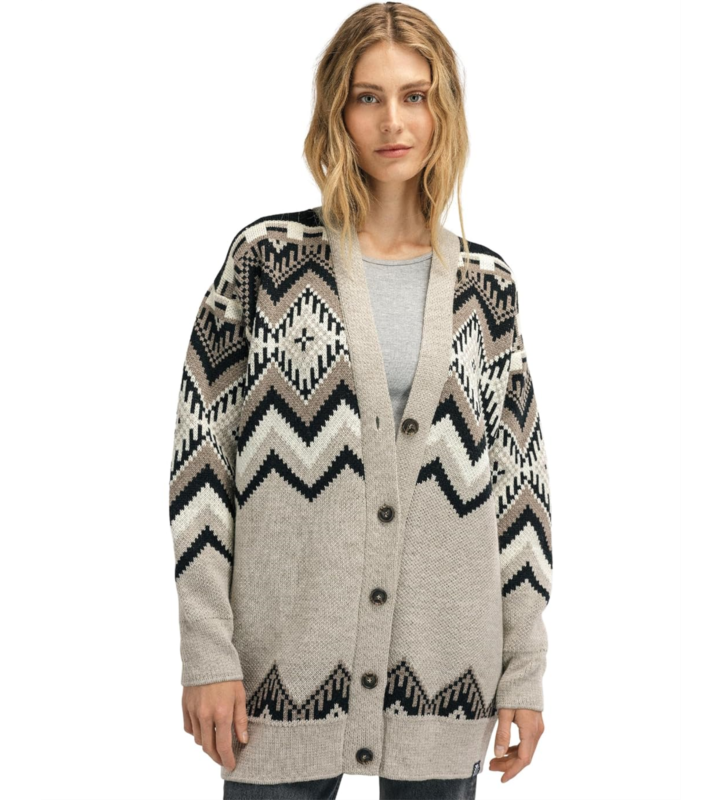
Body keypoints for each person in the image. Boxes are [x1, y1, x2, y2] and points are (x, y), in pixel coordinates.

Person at [167, 3, 552, 798]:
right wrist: (207, 652)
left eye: (415, 96)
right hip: (278, 674)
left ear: (444, 111)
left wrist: (525, 669)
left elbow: (520, 488)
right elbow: (200, 462)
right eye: (367, 97)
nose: (393, 121)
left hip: (445, 671)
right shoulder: (267, 259)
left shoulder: (486, 286)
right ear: (336, 112)